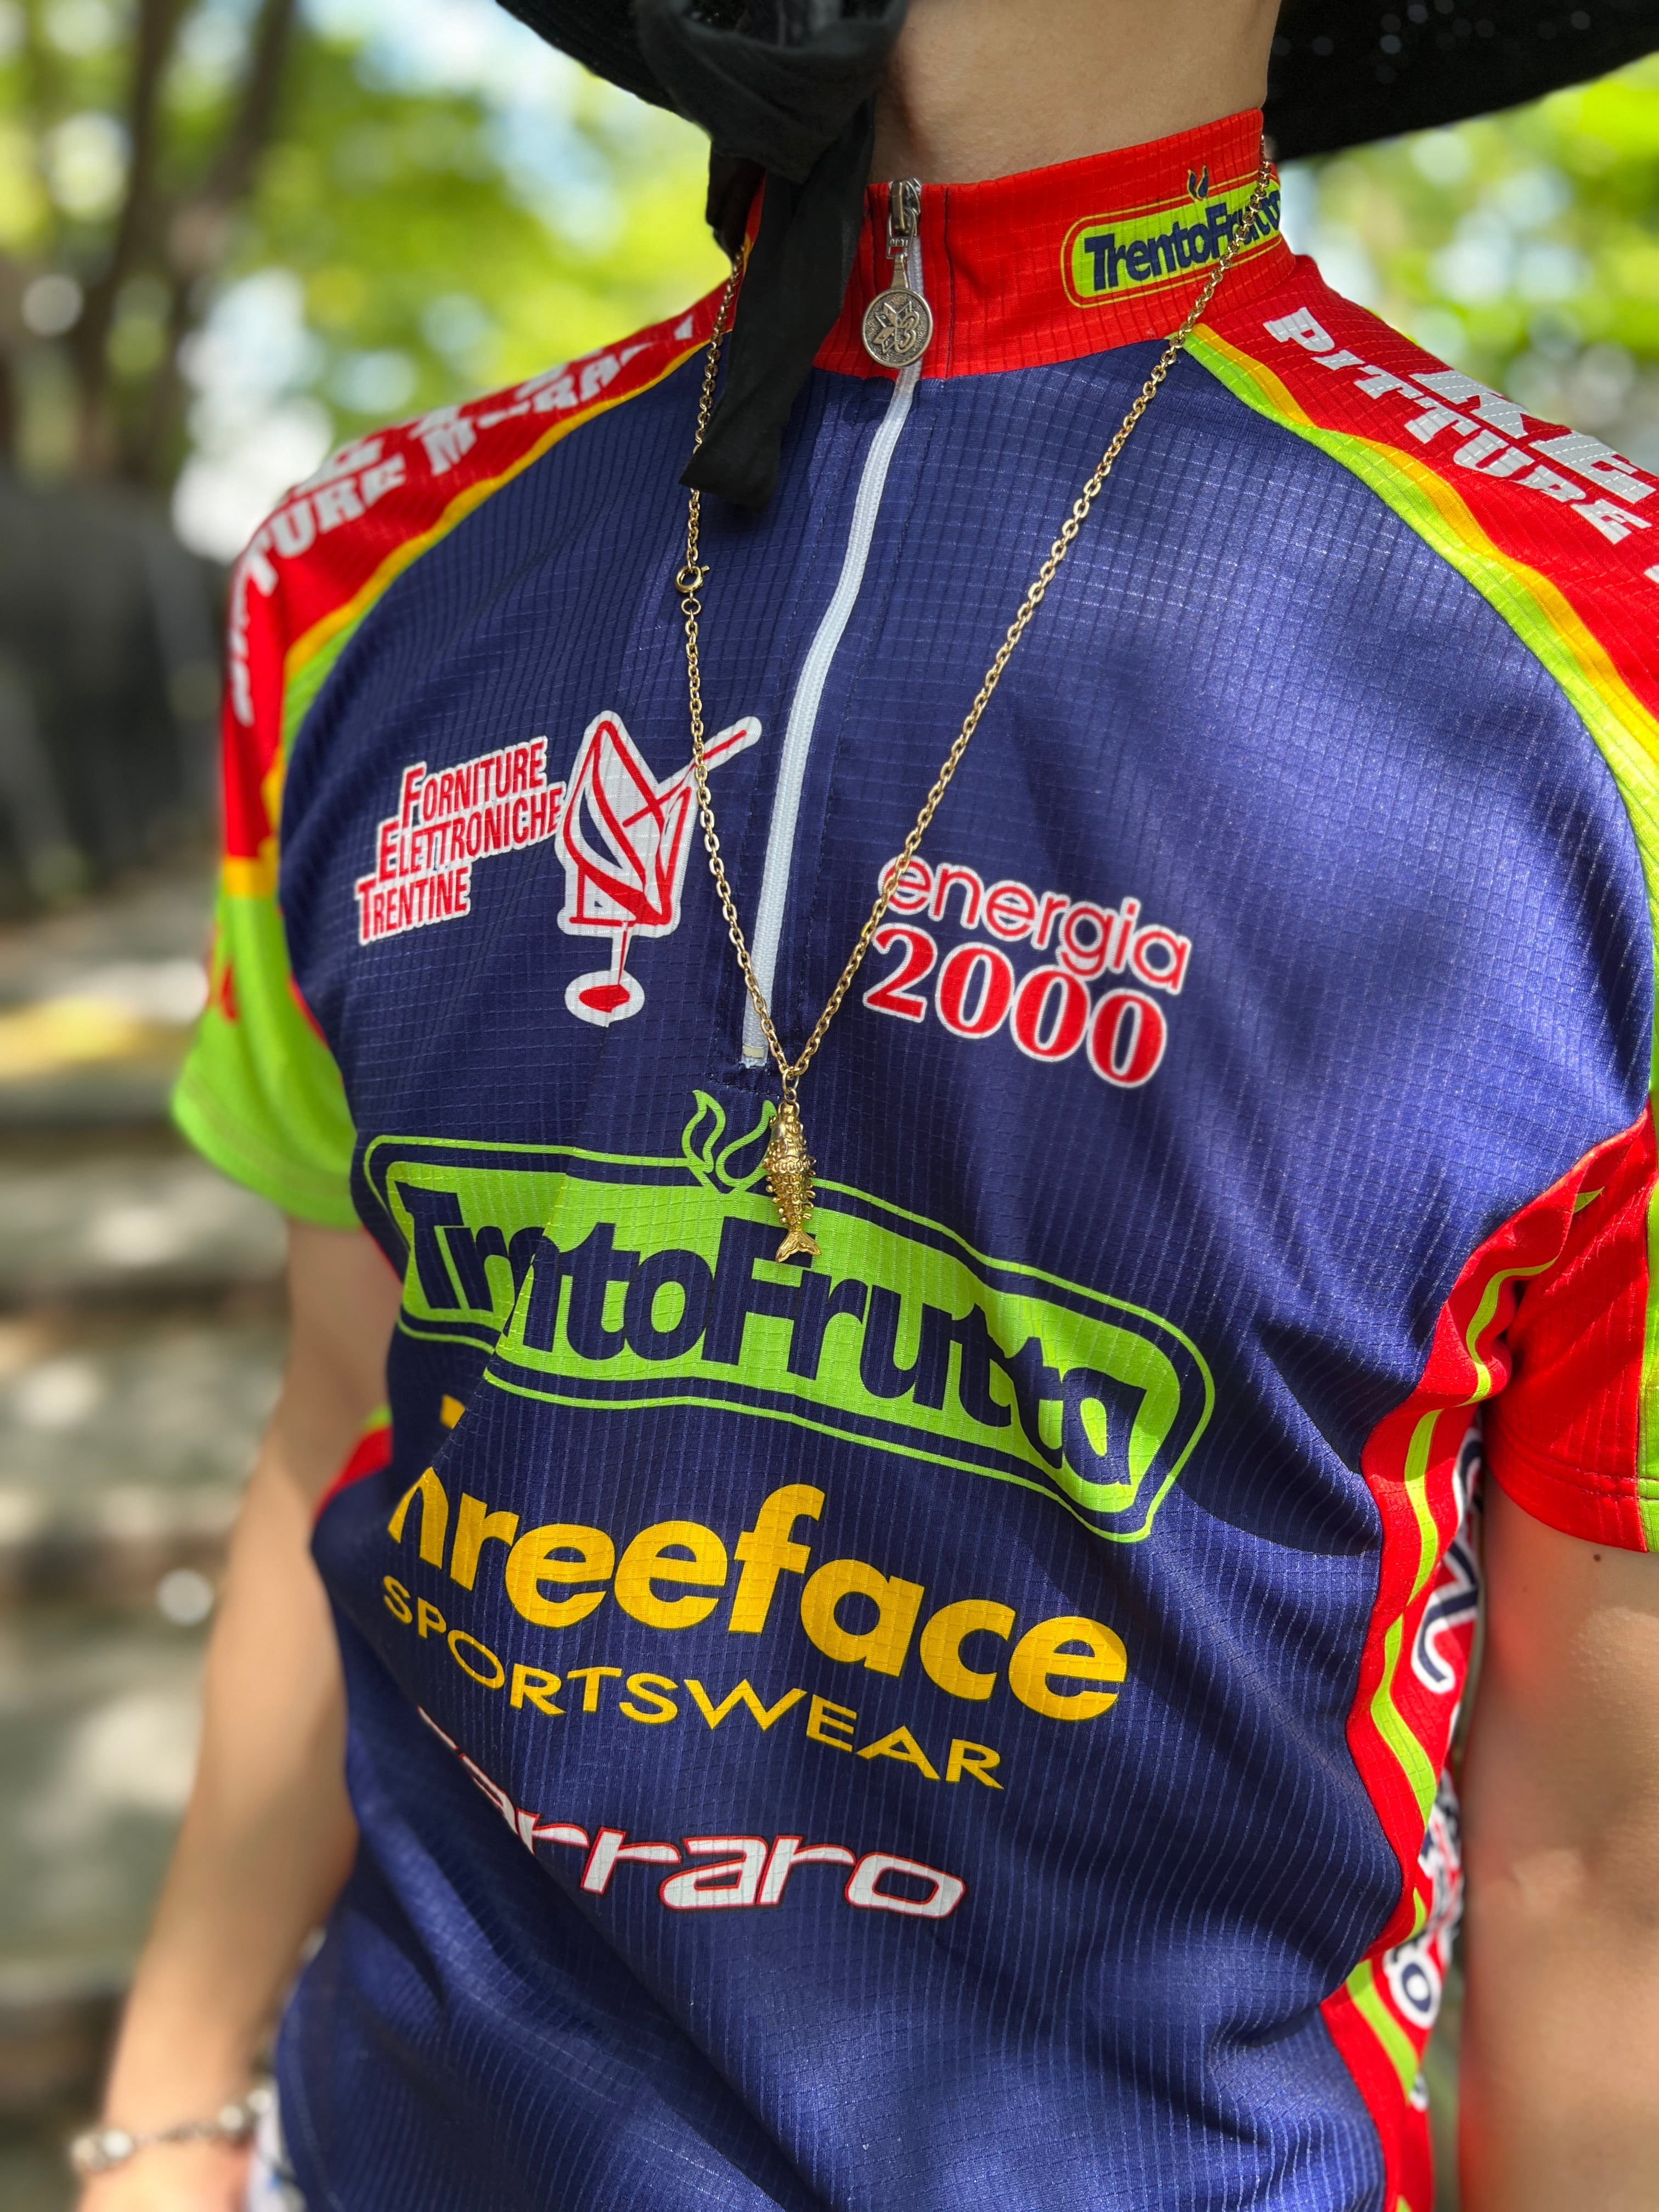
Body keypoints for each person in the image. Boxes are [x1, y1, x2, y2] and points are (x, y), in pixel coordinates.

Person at [76, 0, 1659, 2203]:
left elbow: (1599, 1850)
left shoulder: (1606, 686)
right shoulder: (363, 586)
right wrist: (165, 2112)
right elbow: (338, 1417)